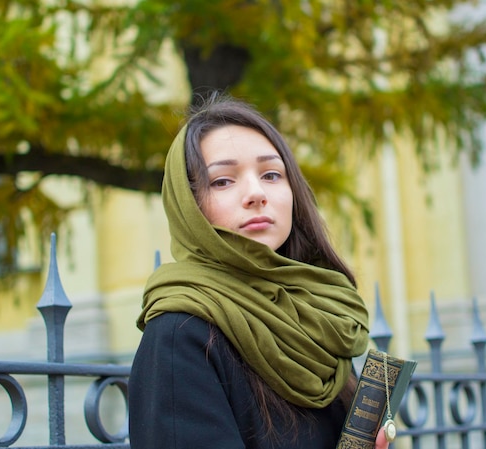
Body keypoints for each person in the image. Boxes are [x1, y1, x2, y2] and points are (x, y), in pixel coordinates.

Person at [128, 92, 391, 449]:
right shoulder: (180, 335)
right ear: (189, 206)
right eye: (222, 180)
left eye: (271, 174)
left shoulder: (319, 321)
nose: (256, 193)